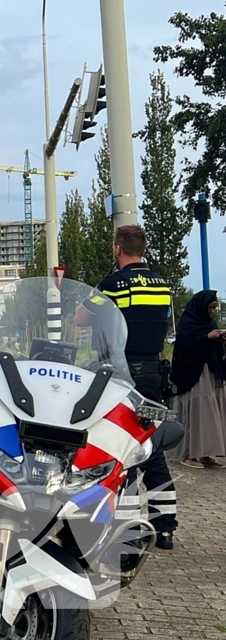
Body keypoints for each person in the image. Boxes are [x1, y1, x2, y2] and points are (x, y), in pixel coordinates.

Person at [77, 225, 177, 550]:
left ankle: (127, 528)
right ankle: (164, 527)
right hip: (152, 372)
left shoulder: (112, 284)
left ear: (117, 248)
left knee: (121, 447)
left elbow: (80, 318)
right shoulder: (162, 284)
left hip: (121, 373)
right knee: (152, 447)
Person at [169, 290, 226, 469]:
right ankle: (189, 454)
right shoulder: (187, 323)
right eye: (210, 307)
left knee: (210, 413)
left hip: (210, 373)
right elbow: (184, 346)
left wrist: (220, 341)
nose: (212, 312)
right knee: (196, 412)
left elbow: (213, 349)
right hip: (193, 376)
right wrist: (207, 337)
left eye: (214, 308)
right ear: (201, 306)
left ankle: (206, 452)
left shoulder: (210, 323)